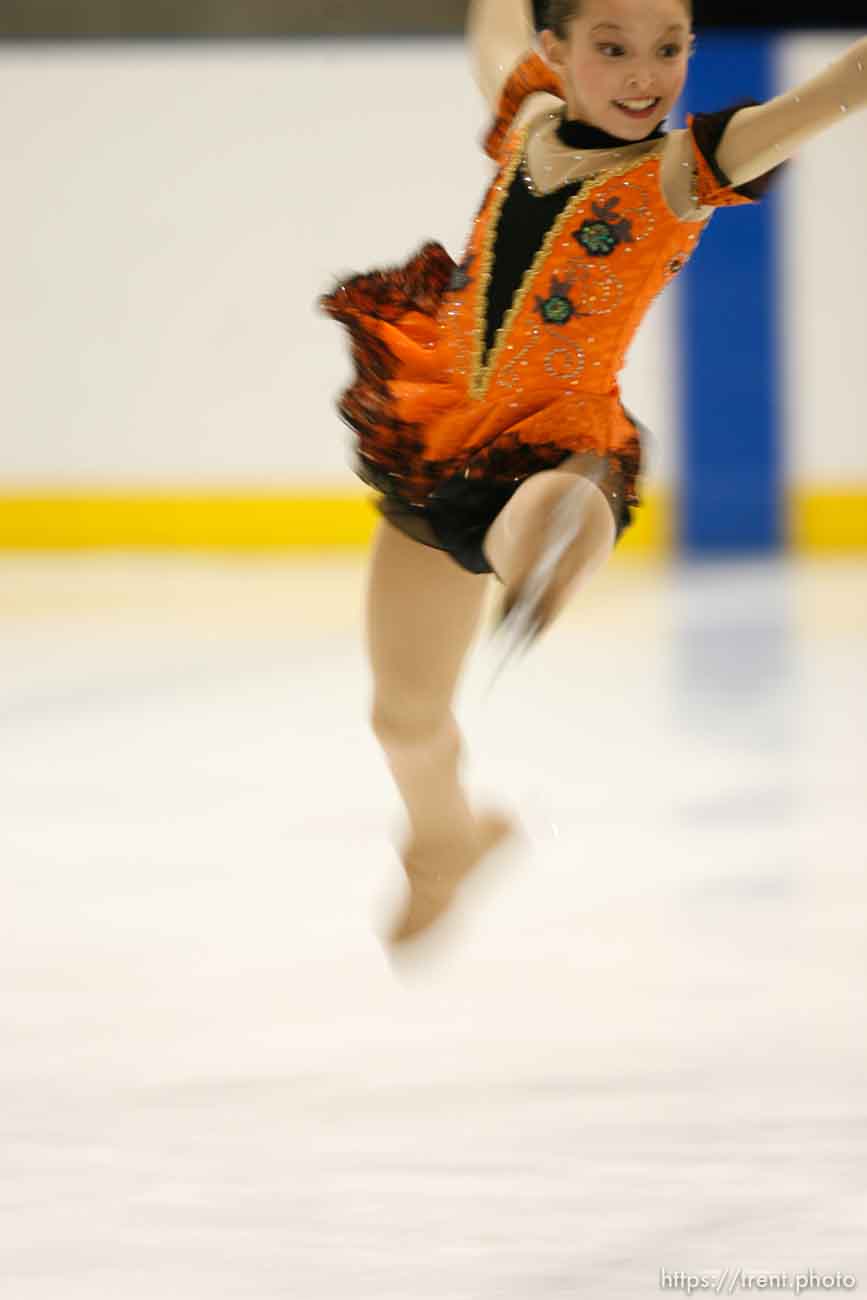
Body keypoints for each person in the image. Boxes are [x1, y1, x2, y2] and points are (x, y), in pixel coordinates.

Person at [320, 0, 866, 946]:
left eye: (666, 50)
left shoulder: (683, 170)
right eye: (610, 50)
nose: (641, 74)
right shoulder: (527, 118)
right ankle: (447, 841)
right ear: (557, 51)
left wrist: (555, 519)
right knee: (403, 722)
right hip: (434, 445)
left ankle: (547, 547)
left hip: (568, 452)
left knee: (545, 509)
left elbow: (839, 88)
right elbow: (492, 31)